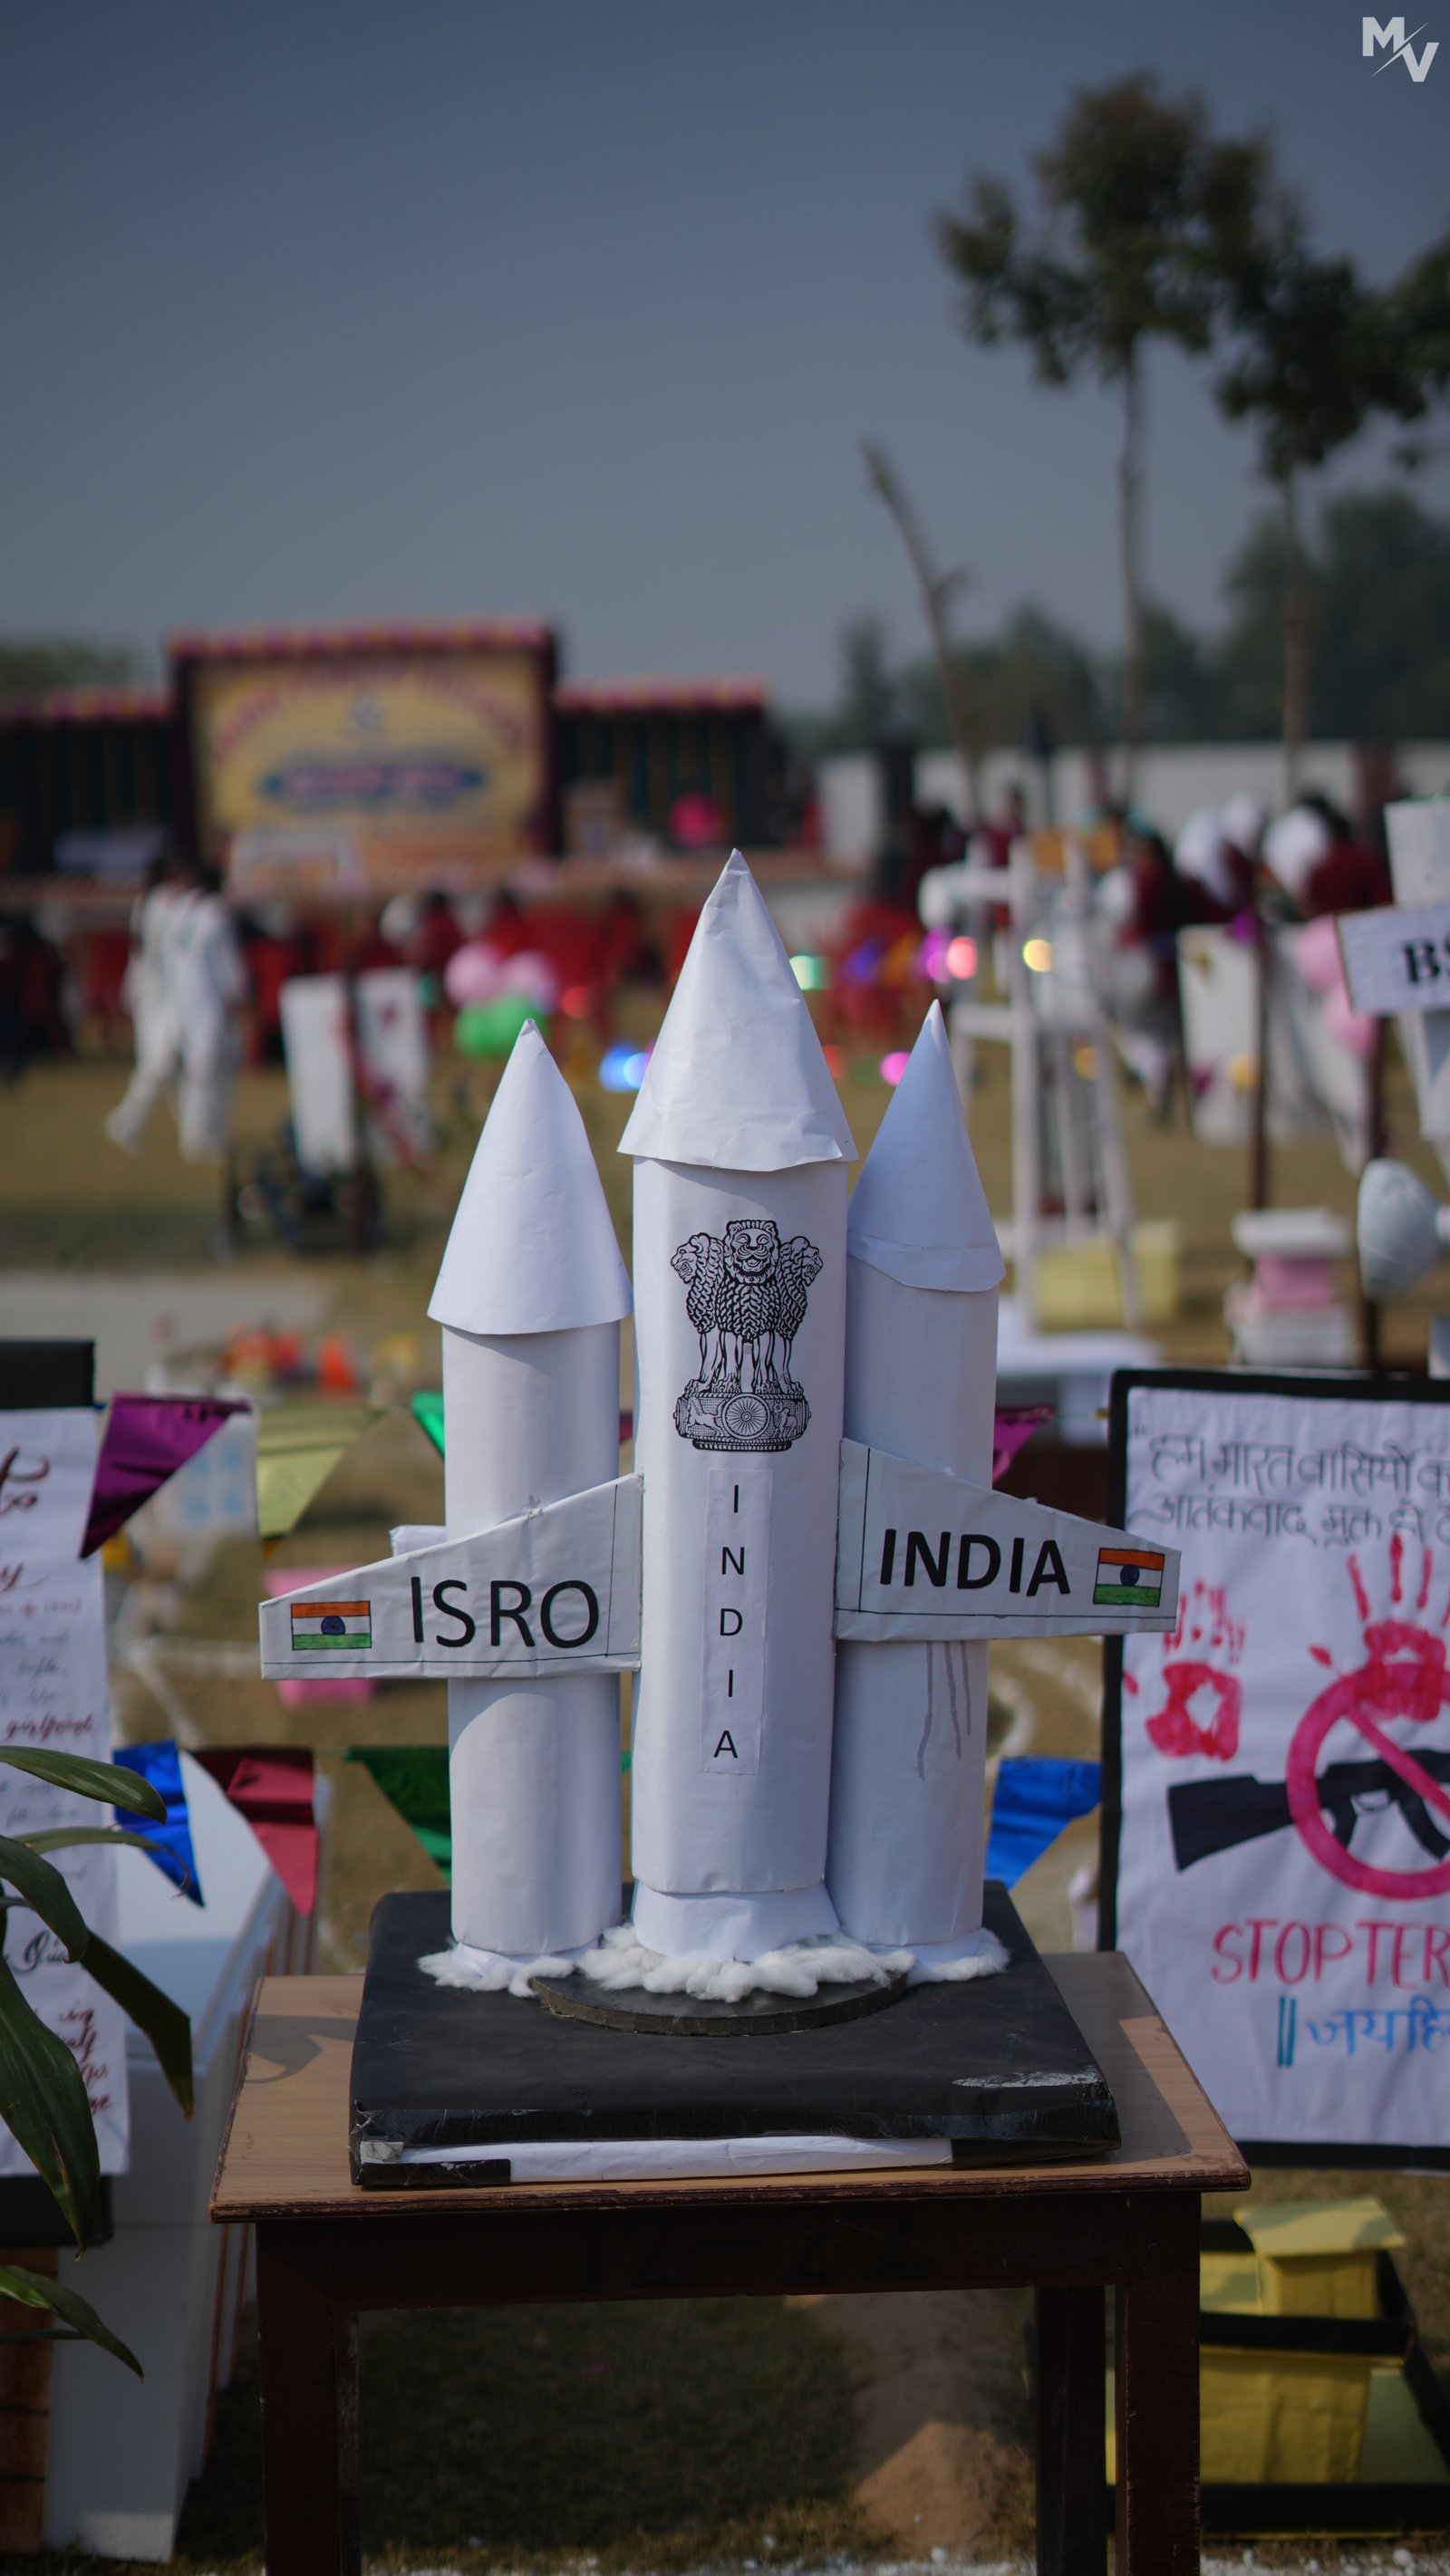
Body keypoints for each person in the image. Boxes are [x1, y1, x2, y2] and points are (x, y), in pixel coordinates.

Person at [104, 854, 247, 1161]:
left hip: (171, 996)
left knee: (180, 1067)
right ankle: (131, 1122)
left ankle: (194, 1132)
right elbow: (226, 967)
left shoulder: (173, 907)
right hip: (163, 997)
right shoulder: (176, 905)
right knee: (167, 1065)